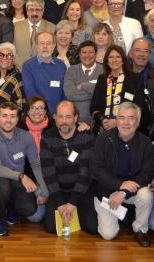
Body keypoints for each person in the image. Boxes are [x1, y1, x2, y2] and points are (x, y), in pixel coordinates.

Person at [89, 101, 154, 246]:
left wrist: (123, 192)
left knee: (146, 195)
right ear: (116, 120)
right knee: (108, 235)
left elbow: (147, 175)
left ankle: (141, 230)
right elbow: (95, 169)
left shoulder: (146, 144)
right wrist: (119, 184)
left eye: (131, 118)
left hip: (131, 191)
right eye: (122, 117)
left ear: (137, 122)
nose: (126, 123)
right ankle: (119, 215)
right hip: (106, 191)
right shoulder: (102, 139)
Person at [0, 102, 48, 236]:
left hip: (16, 180)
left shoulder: (26, 136)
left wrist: (44, 190)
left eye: (13, 116)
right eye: (4, 116)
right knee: (3, 187)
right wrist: (22, 176)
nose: (8, 120)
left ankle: (11, 208)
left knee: (29, 208)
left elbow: (35, 164)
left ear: (18, 119)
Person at [39, 100, 99, 235]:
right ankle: (70, 211)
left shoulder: (86, 136)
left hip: (81, 191)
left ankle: (74, 210)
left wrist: (72, 202)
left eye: (68, 117)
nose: (64, 121)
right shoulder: (47, 138)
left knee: (93, 228)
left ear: (76, 118)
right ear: (54, 117)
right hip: (58, 191)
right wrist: (61, 203)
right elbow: (49, 174)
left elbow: (86, 172)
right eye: (60, 117)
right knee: (51, 228)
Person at [91, 45, 151, 136]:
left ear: (123, 60)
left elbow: (140, 107)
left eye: (118, 57)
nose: (114, 60)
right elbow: (93, 107)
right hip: (104, 130)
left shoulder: (134, 79)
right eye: (111, 57)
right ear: (107, 61)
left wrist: (117, 121)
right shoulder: (102, 79)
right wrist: (103, 120)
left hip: (128, 130)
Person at [129, 38, 154, 136]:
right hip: (126, 128)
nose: (142, 54)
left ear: (149, 55)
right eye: (138, 50)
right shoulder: (122, 75)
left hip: (151, 132)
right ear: (130, 54)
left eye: (145, 51)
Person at [22, 31, 67, 114]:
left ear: (54, 46)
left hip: (58, 115)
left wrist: (59, 113)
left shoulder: (61, 65)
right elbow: (31, 94)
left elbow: (65, 93)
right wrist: (48, 113)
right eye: (42, 43)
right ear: (36, 46)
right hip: (38, 114)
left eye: (48, 43)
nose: (45, 46)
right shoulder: (28, 66)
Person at [63, 41, 102, 125]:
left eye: (90, 52)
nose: (87, 55)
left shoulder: (104, 71)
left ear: (96, 54)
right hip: (75, 122)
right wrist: (94, 90)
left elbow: (103, 93)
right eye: (84, 52)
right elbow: (69, 93)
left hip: (98, 121)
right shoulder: (71, 70)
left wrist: (82, 85)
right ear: (79, 55)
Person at [13, 0, 56, 67]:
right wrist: (22, 67)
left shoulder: (52, 28)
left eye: (37, 10)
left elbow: (53, 52)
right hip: (20, 70)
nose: (34, 13)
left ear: (43, 11)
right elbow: (12, 50)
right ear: (26, 11)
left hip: (43, 70)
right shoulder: (15, 27)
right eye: (31, 10)